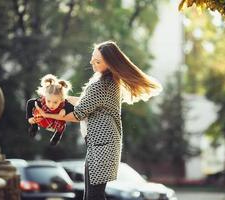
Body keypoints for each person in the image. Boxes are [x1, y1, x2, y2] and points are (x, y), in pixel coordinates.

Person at [35, 40, 162, 200]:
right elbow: (84, 101)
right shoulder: (105, 80)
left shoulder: (101, 85)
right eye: (92, 58)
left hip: (102, 146)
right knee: (92, 196)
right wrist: (57, 100)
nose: (92, 63)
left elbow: (78, 114)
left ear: (109, 64)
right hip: (101, 144)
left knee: (94, 196)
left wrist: (47, 115)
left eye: (97, 61)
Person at [26, 74, 78, 146]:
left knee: (62, 124)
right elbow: (30, 103)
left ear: (61, 99)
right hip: (42, 118)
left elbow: (72, 108)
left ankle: (57, 136)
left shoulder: (64, 103)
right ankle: (34, 127)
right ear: (45, 97)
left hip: (55, 121)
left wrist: (65, 110)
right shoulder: (41, 101)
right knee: (36, 114)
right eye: (49, 101)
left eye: (55, 102)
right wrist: (30, 118)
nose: (51, 105)